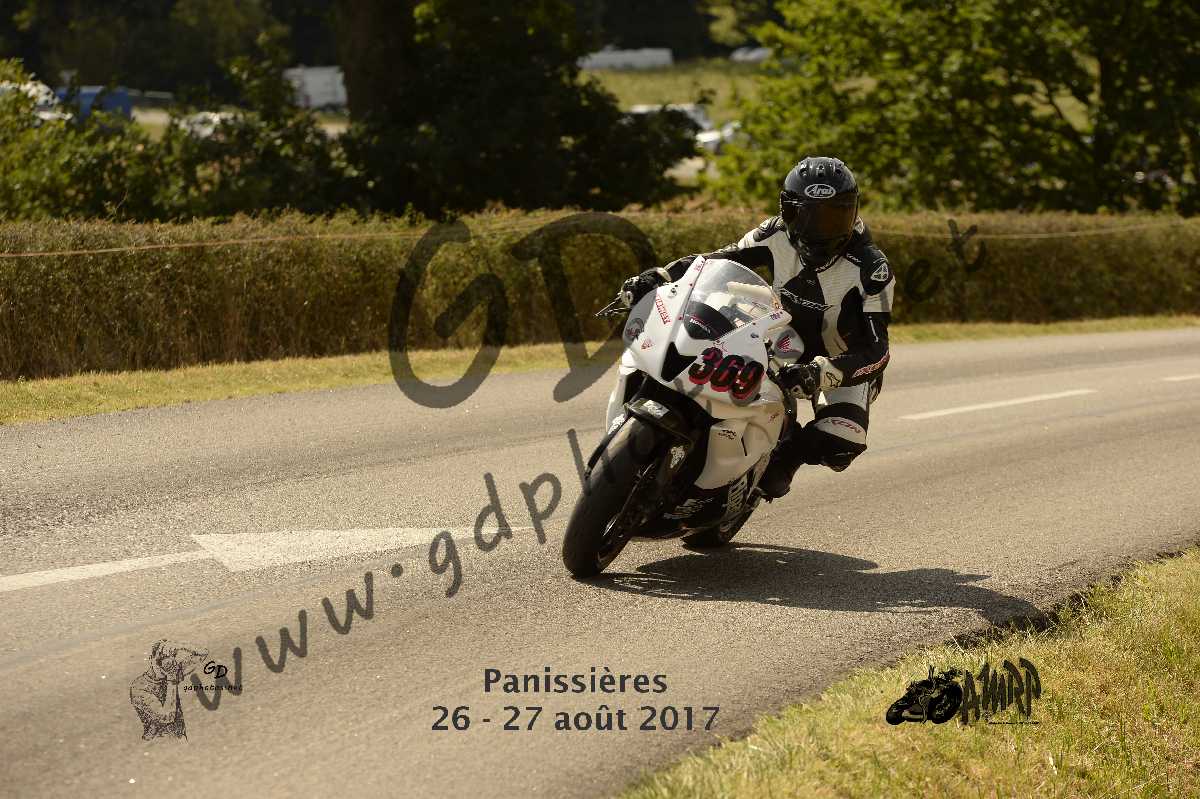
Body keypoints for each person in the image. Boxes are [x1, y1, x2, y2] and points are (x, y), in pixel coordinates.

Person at [620, 156, 894, 499]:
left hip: (837, 360)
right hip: (776, 333)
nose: (818, 230)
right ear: (786, 209)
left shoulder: (872, 268)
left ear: (853, 213)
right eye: (805, 215)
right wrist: (662, 275)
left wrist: (825, 372)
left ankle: (782, 454)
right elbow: (715, 261)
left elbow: (878, 351)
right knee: (701, 355)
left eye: (832, 217)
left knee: (840, 443)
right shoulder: (774, 232)